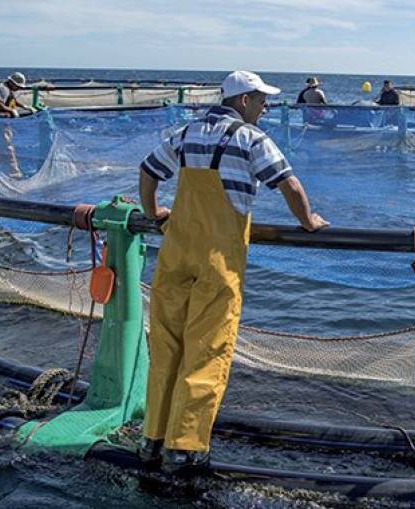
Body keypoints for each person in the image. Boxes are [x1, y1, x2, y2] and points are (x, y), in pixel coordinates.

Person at [137, 70, 329, 474]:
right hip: (216, 261)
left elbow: (149, 170)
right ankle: (184, 448)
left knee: (166, 347)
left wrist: (153, 213)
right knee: (206, 349)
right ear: (243, 101)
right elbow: (289, 185)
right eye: (261, 100)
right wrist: (308, 220)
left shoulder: (186, 132)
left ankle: (151, 440)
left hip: (175, 253)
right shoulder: (251, 139)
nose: (265, 107)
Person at [0, 72, 33, 178]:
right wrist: (11, 110)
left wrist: (24, 106)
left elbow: (13, 100)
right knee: (7, 146)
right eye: (18, 86)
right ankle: (14, 173)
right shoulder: (3, 89)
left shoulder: (8, 89)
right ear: (12, 83)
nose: (19, 89)